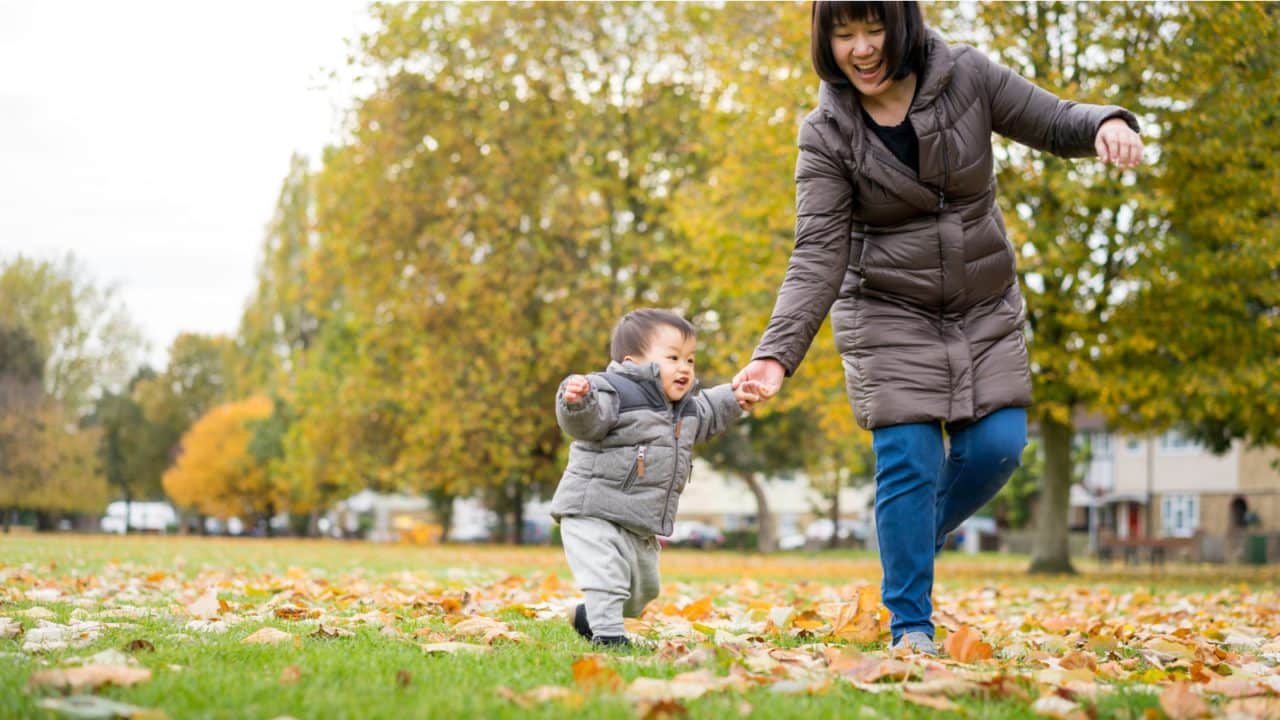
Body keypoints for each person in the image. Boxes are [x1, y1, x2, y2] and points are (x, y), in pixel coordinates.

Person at [732, 1, 1142, 656]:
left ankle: (908, 538)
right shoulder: (827, 134)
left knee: (999, 447)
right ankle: (911, 629)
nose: (861, 50)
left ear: (904, 27)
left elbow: (1054, 119)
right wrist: (776, 357)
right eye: (843, 36)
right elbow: (816, 255)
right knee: (909, 458)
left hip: (981, 303)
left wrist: (1106, 124)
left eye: (873, 30)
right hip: (887, 308)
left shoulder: (969, 77)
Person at [550, 308, 763, 647]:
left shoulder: (684, 410)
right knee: (607, 578)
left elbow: (708, 410)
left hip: (640, 521)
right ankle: (609, 638)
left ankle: (590, 617)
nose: (685, 368)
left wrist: (734, 397)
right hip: (593, 509)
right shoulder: (612, 392)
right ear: (634, 362)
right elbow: (586, 423)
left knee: (643, 591)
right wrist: (577, 401)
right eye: (674, 357)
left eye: (691, 360)